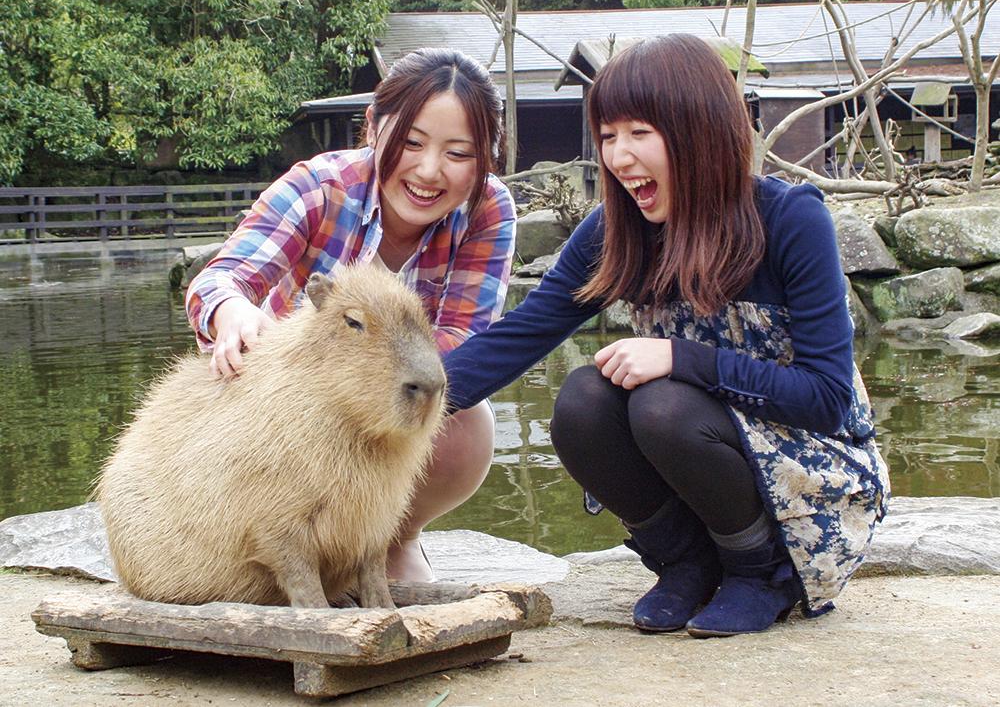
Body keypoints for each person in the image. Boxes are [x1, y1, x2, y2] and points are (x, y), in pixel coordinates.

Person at [442, 34, 889, 637]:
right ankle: (686, 563)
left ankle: (760, 572)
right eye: (608, 136)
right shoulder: (617, 229)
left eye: (639, 133)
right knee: (582, 400)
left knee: (662, 405)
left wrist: (680, 356)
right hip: (700, 443)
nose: (619, 156)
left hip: (808, 472)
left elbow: (826, 399)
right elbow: (522, 333)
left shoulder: (790, 218)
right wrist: (399, 404)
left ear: (699, 129)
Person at [186, 48, 516, 582]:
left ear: (485, 157)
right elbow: (221, 279)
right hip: (289, 410)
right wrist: (232, 311)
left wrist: (376, 379)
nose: (429, 171)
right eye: (411, 142)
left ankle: (390, 537)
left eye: (459, 153)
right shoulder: (318, 186)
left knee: (467, 419)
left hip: (393, 404)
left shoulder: (488, 208)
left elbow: (466, 335)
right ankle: (277, 543)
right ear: (374, 127)